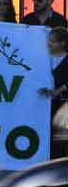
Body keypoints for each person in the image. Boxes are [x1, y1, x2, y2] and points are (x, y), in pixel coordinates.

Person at [38, 27, 68, 158]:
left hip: (62, 104)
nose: (49, 43)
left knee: (59, 136)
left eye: (53, 41)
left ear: (62, 43)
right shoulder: (42, 58)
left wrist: (59, 90)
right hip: (42, 104)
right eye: (49, 40)